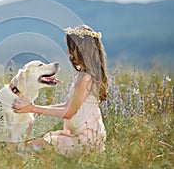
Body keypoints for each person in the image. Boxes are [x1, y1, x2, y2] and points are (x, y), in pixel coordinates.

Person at [12, 25, 108, 157]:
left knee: (29, 149)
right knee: (28, 147)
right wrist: (35, 108)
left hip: (84, 140)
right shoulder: (81, 74)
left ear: (79, 49)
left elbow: (69, 112)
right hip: (76, 135)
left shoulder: (86, 78)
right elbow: (67, 105)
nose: (68, 52)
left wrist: (33, 108)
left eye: (70, 48)